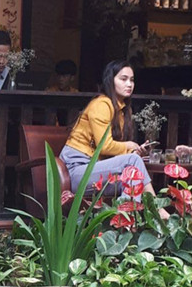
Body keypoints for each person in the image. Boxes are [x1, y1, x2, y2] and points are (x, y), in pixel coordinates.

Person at [59, 60, 156, 198]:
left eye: (132, 80)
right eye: (123, 79)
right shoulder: (101, 104)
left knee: (132, 178)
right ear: (111, 81)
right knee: (133, 161)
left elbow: (115, 151)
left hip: (97, 170)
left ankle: (127, 212)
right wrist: (129, 147)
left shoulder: (123, 110)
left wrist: (134, 151)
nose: (129, 84)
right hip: (76, 171)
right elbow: (104, 147)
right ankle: (156, 207)